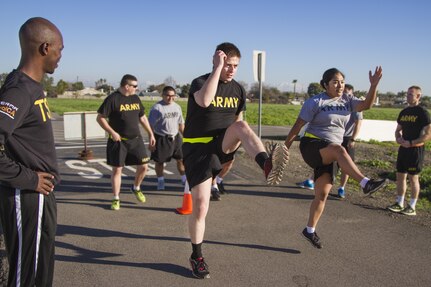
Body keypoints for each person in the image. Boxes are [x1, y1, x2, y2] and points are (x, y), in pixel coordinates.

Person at [183, 42, 289, 279]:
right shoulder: (200, 83)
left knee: (242, 125)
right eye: (227, 65)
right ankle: (196, 256)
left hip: (221, 142)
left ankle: (267, 165)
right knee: (201, 206)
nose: (231, 70)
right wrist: (217, 69)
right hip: (197, 148)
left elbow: (239, 121)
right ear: (216, 61)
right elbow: (204, 102)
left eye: (235, 66)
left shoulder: (238, 90)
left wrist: (236, 145)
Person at [284, 67, 387, 249]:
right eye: (335, 82)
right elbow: (297, 125)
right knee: (339, 150)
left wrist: (374, 85)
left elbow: (367, 105)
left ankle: (309, 229)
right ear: (325, 85)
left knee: (322, 194)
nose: (340, 85)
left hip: (330, 151)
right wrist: (285, 148)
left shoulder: (347, 100)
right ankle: (365, 183)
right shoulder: (315, 101)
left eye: (342, 81)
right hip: (312, 145)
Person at [0, 17, 63, 286]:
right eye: (60, 49)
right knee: (26, 275)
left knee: (39, 272)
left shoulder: (33, 88)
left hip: (38, 196)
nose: (61, 56)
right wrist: (30, 179)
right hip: (26, 195)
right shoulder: (18, 91)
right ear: (45, 48)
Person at [96, 74, 155, 211]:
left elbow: (142, 117)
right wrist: (112, 132)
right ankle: (116, 198)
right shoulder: (113, 99)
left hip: (136, 139)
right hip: (118, 142)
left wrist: (150, 133)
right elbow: (100, 118)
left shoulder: (135, 98)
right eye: (134, 86)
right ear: (126, 86)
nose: (137, 88)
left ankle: (136, 187)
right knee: (117, 170)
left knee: (144, 166)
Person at [387, 86, 431, 216]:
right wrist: (398, 138)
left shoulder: (423, 113)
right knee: (400, 176)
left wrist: (412, 143)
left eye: (411, 94)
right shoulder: (404, 112)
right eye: (407, 94)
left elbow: (428, 134)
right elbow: (397, 130)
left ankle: (412, 206)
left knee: (413, 178)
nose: (408, 96)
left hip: (415, 150)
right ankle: (399, 203)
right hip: (403, 149)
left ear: (418, 96)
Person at [148, 85, 186, 190]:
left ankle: (184, 179)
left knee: (181, 159)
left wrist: (186, 137)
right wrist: (151, 139)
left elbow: (181, 123)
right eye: (168, 96)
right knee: (160, 162)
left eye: (173, 96)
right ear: (162, 95)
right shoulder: (157, 108)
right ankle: (160, 181)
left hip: (176, 137)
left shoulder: (177, 107)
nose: (170, 98)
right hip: (161, 138)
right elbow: (150, 125)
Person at [336, 84, 363, 198]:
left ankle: (341, 188)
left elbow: (358, 123)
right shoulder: (339, 103)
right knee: (328, 162)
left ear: (352, 93)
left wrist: (353, 139)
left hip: (347, 138)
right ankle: (315, 182)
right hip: (336, 137)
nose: (345, 94)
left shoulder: (355, 106)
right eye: (343, 92)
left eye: (347, 92)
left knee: (346, 165)